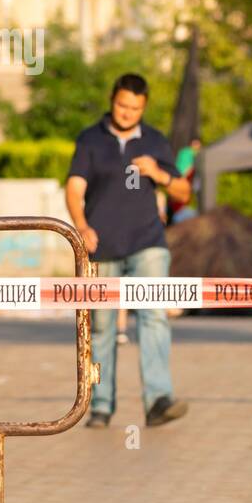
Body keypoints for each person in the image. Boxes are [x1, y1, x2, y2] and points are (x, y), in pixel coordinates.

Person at [66, 73, 191, 428]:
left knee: (153, 318)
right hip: (102, 246)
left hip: (148, 244)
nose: (127, 113)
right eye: (122, 105)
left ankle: (158, 400)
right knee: (101, 327)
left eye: (135, 108)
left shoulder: (155, 141)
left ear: (144, 107)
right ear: (112, 100)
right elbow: (74, 188)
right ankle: (101, 405)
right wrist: (81, 226)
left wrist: (159, 174)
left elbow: (183, 192)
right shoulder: (90, 139)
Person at [168, 137, 202, 225]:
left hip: (178, 181)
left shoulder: (184, 152)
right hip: (182, 182)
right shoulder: (190, 153)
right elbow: (188, 169)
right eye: (196, 144)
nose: (197, 147)